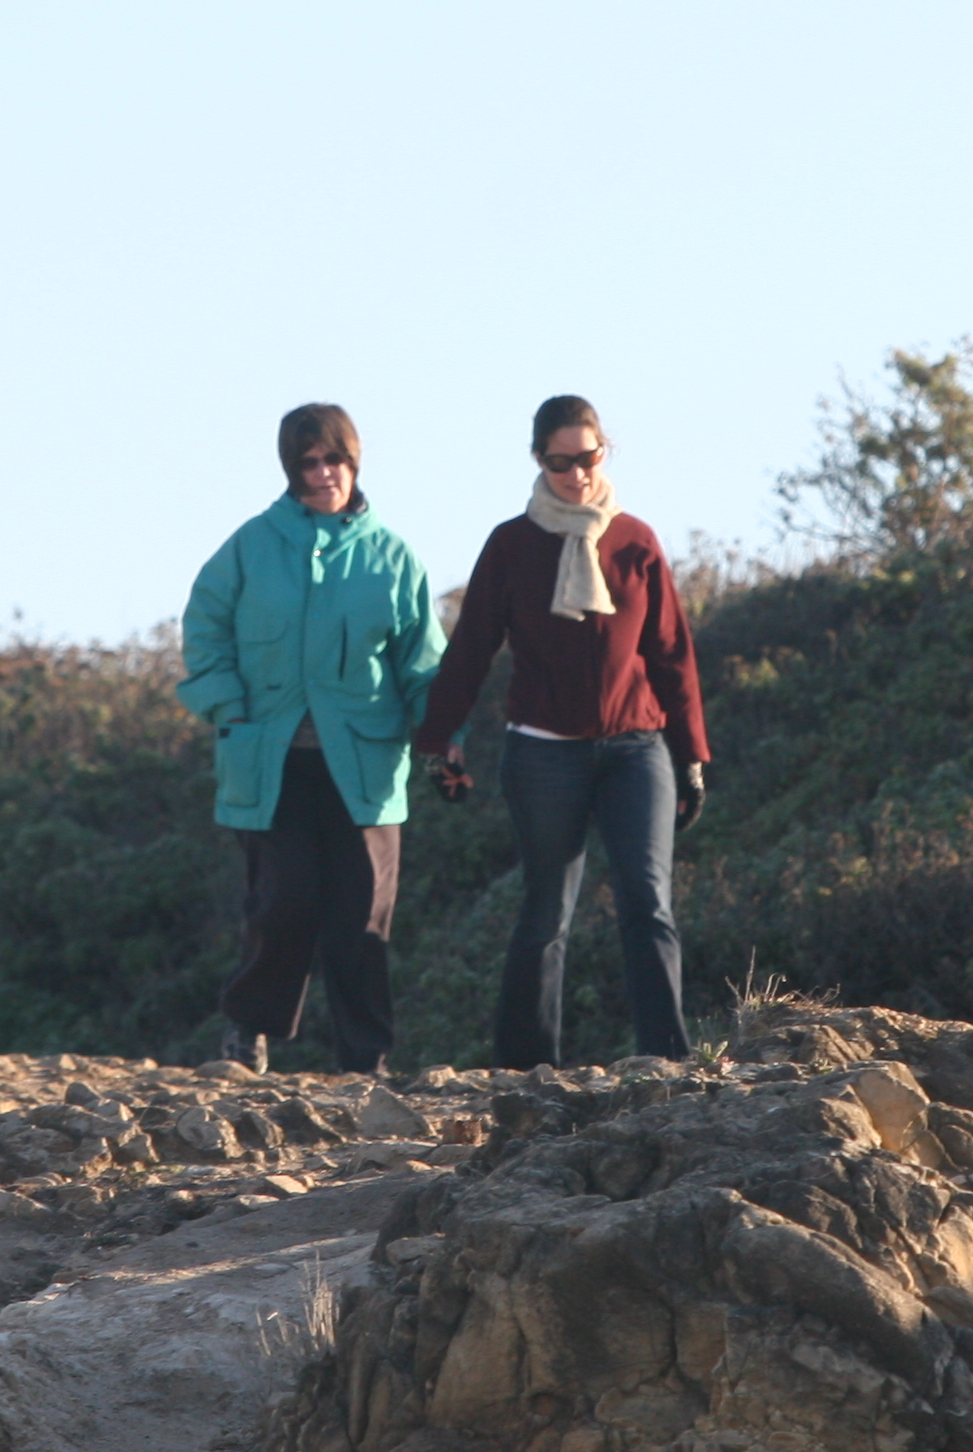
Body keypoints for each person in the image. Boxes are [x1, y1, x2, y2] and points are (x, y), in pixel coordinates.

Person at [417, 395, 711, 1067]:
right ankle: (526, 1071)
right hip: (544, 753)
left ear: (605, 452)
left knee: (648, 902)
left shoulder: (636, 540)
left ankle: (667, 1061)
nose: (577, 474)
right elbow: (472, 648)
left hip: (636, 749)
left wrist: (691, 755)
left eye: (588, 458)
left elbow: (671, 653)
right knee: (548, 911)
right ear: (538, 460)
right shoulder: (512, 544)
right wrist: (440, 739)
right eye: (560, 462)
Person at [178, 402, 445, 1074]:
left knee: (363, 918)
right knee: (284, 902)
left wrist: (446, 738)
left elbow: (423, 663)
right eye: (308, 463)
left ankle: (366, 1061)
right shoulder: (250, 546)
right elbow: (205, 630)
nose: (324, 474)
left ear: (355, 461)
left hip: (365, 769)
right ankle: (248, 1030)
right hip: (270, 763)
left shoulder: (394, 557)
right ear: (290, 470)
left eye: (334, 459)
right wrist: (229, 708)